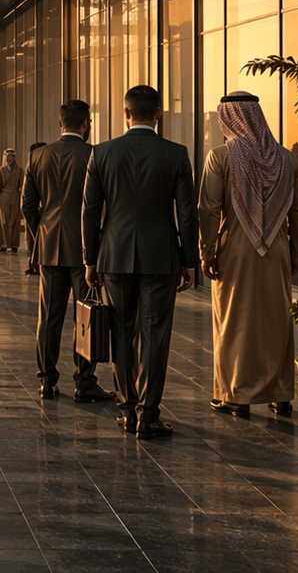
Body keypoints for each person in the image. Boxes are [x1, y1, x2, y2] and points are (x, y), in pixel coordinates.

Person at [83, 85, 198, 440]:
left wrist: (90, 259)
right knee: (155, 336)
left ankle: (127, 409)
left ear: (125, 113)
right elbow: (187, 214)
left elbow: (89, 211)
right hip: (161, 257)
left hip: (114, 256)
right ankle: (148, 414)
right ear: (159, 114)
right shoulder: (176, 154)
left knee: (122, 332)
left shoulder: (102, 153)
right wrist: (189, 261)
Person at [200, 92, 298, 418]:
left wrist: (206, 252)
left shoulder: (220, 157)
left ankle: (235, 396)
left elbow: (208, 209)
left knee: (235, 322)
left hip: (234, 251)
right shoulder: (287, 159)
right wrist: (294, 251)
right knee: (276, 320)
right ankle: (280, 395)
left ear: (229, 118)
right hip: (276, 251)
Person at [23, 101, 113, 403]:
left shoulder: (38, 156)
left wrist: (42, 235)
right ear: (85, 124)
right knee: (85, 316)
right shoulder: (94, 154)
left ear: (60, 124)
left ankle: (47, 382)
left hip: (49, 250)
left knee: (48, 318)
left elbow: (28, 206)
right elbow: (104, 207)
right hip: (85, 253)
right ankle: (84, 382)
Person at [0, 149, 25, 252]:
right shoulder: (4, 170)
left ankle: (9, 244)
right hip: (10, 198)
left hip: (9, 198)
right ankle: (8, 244)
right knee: (8, 222)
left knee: (9, 222)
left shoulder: (16, 171)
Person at [25, 141, 48, 275]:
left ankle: (36, 264)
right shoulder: (31, 167)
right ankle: (33, 263)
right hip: (34, 213)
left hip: (41, 213)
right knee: (31, 241)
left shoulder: (44, 168)